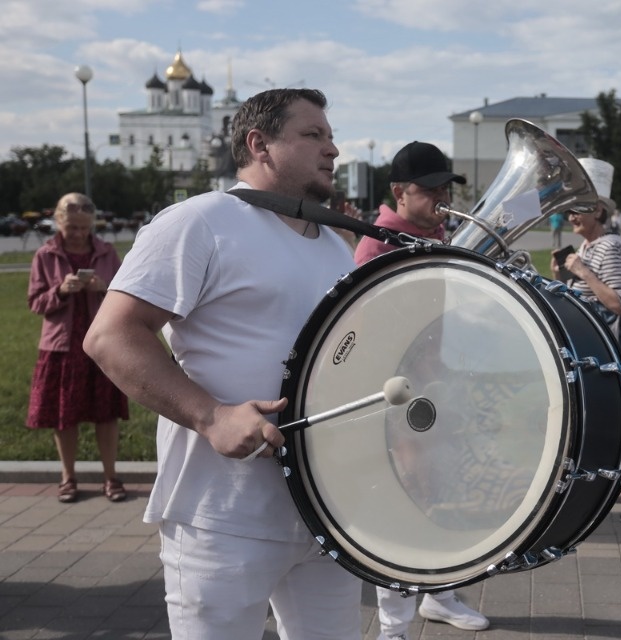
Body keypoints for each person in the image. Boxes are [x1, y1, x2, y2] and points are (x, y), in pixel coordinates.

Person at [84, 89, 363, 640]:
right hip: (223, 515)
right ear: (259, 144)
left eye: (330, 135)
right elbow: (111, 335)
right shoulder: (199, 220)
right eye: (313, 135)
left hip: (327, 511)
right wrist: (211, 417)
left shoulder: (334, 240)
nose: (332, 149)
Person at [354, 141, 489, 639]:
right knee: (404, 505)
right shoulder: (379, 242)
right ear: (398, 193)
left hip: (436, 381)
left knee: (438, 494)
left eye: (443, 188)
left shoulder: (434, 234)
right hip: (399, 396)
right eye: (428, 190)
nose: (440, 198)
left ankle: (437, 594)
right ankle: (394, 625)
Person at [550, 159, 621, 525]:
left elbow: (618, 303)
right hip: (588, 346)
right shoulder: (588, 247)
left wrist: (581, 273)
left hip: (602, 347)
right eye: (570, 209)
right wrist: (563, 277)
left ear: (599, 210)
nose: (571, 215)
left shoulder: (608, 246)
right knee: (594, 421)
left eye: (580, 208)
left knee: (602, 422)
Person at [27, 192, 129, 504]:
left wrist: (104, 288)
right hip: (61, 348)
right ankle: (68, 477)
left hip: (101, 344)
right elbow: (35, 302)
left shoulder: (106, 252)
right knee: (63, 416)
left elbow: (126, 292)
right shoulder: (46, 255)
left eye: (84, 228)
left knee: (106, 414)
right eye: (72, 227)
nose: (79, 234)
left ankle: (111, 477)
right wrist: (59, 291)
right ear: (59, 223)